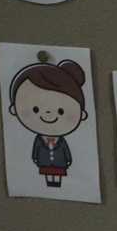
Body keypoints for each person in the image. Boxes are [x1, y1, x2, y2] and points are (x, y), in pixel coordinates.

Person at [8, 57, 87, 188]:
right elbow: (36, 149)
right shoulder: (39, 139)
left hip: (59, 162)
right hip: (45, 161)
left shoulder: (61, 141)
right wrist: (35, 158)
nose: (48, 114)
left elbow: (65, 150)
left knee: (58, 174)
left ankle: (56, 182)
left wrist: (68, 160)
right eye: (35, 109)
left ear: (82, 114)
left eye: (61, 111)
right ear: (13, 109)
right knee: (47, 173)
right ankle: (50, 182)